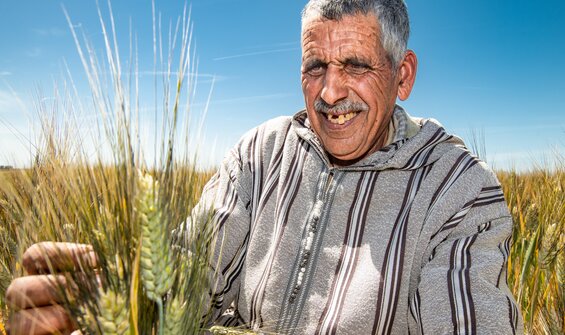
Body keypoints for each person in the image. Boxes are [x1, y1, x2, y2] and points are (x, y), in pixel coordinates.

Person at [6, 0, 523, 334]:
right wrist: (103, 305)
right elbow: (186, 272)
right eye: (314, 66)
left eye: (356, 65)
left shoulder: (460, 192)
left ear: (403, 75)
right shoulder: (260, 153)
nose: (330, 91)